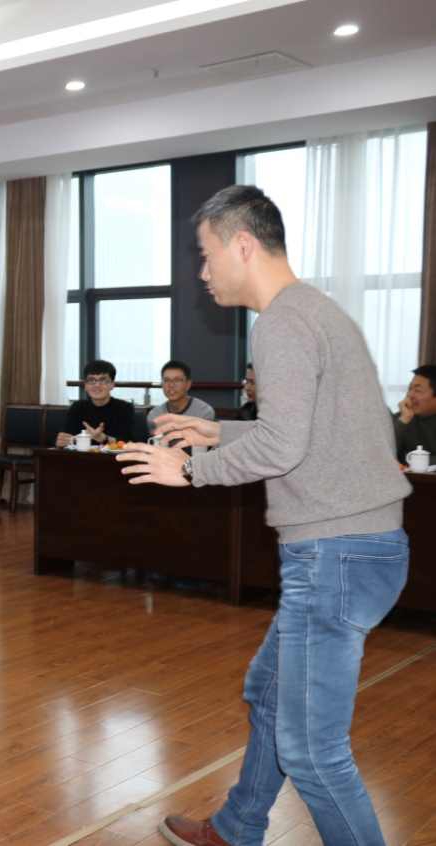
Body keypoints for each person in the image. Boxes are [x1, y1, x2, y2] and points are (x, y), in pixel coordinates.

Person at [117, 185, 411, 846]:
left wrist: (187, 469)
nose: (202, 272)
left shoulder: (280, 322)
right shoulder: (316, 311)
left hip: (334, 553)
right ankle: (236, 827)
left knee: (312, 751)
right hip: (360, 545)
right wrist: (218, 434)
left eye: (205, 255)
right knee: (268, 693)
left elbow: (284, 447)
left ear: (242, 245)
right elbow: (314, 432)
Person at [55, 359, 135, 447]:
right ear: (85, 385)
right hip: (80, 455)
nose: (97, 385)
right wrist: (62, 441)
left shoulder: (125, 408)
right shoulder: (77, 407)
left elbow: (128, 442)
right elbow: (66, 437)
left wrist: (104, 439)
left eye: (103, 380)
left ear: (112, 385)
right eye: (91, 380)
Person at [146, 360, 215, 433]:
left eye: (177, 380)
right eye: (166, 380)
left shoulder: (203, 412)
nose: (171, 385)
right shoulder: (155, 414)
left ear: (188, 384)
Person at [393, 364, 436, 463]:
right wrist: (403, 421)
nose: (410, 395)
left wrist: (413, 459)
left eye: (417, 390)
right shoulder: (403, 418)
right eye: (409, 389)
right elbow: (383, 453)